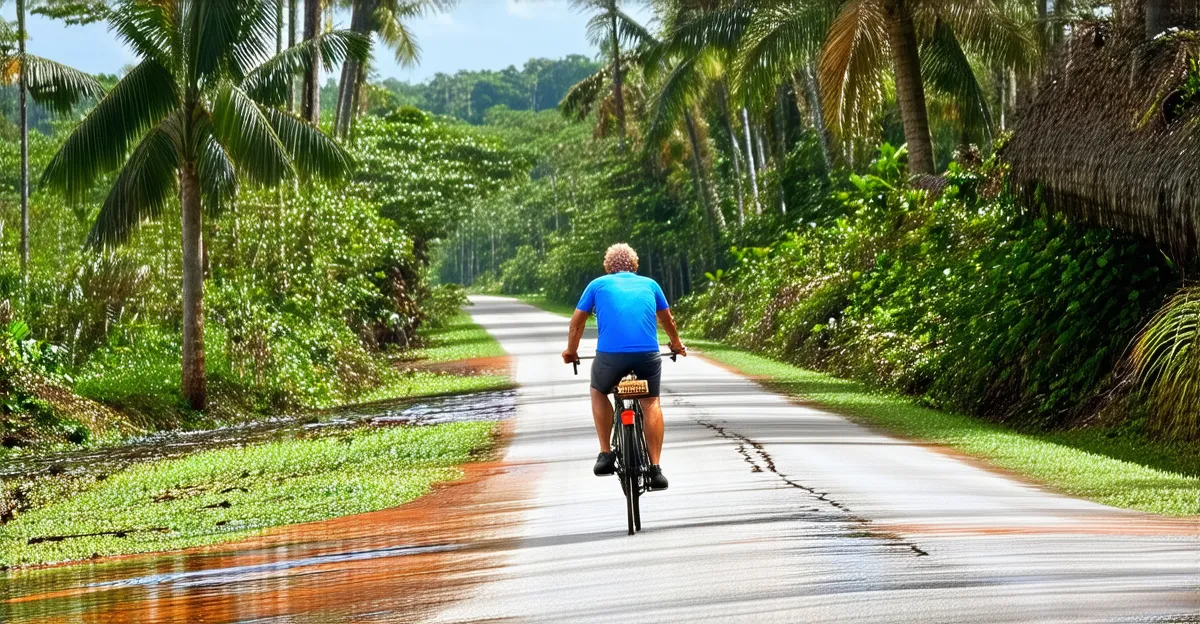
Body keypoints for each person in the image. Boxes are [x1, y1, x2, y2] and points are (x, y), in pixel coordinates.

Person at [561, 243, 686, 490]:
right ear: (635, 265)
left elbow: (577, 323)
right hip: (647, 357)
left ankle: (606, 453)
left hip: (610, 358)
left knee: (598, 390)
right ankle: (655, 469)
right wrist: (676, 344)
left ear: (608, 267)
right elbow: (667, 319)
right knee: (651, 401)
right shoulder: (651, 285)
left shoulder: (597, 285)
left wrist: (571, 351)